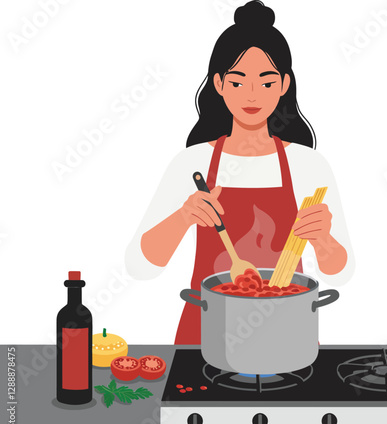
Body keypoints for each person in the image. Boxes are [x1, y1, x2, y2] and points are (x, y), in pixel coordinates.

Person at [125, 0, 354, 344]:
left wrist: (323, 238)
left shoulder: (308, 165)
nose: (251, 95)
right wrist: (183, 216)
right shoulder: (192, 164)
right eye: (237, 82)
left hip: (287, 332)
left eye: (265, 82)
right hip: (205, 333)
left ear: (284, 85)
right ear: (218, 84)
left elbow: (341, 271)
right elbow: (140, 267)